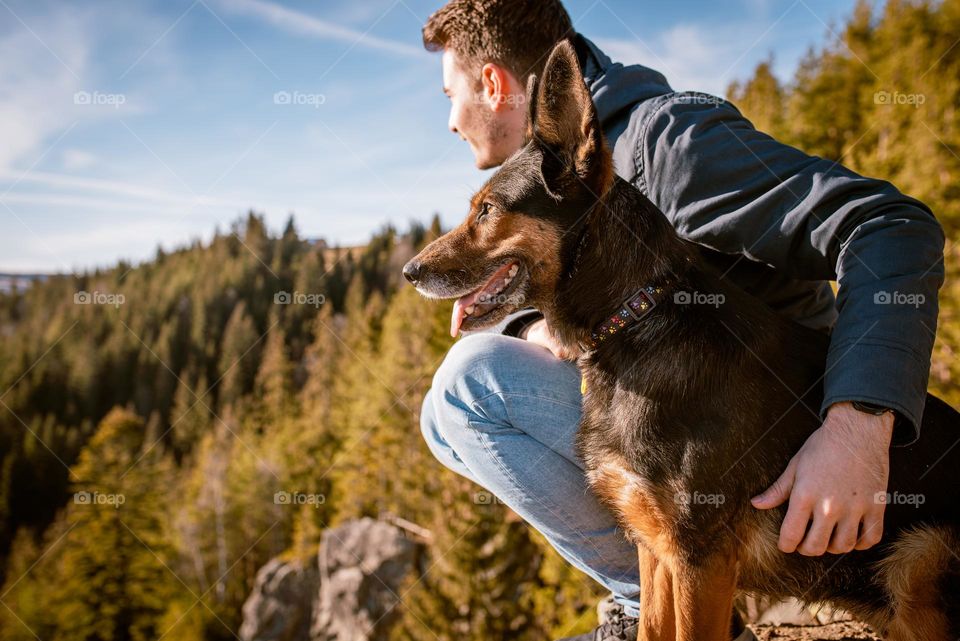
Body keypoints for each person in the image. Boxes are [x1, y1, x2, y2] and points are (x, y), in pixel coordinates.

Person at [417, 1, 946, 639]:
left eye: (451, 95)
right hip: (678, 422)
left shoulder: (670, 146)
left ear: (496, 85)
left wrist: (857, 427)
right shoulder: (553, 184)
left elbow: (890, 226)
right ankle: (653, 606)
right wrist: (531, 323)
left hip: (773, 436)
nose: (450, 122)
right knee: (447, 415)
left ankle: (665, 604)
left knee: (472, 385)